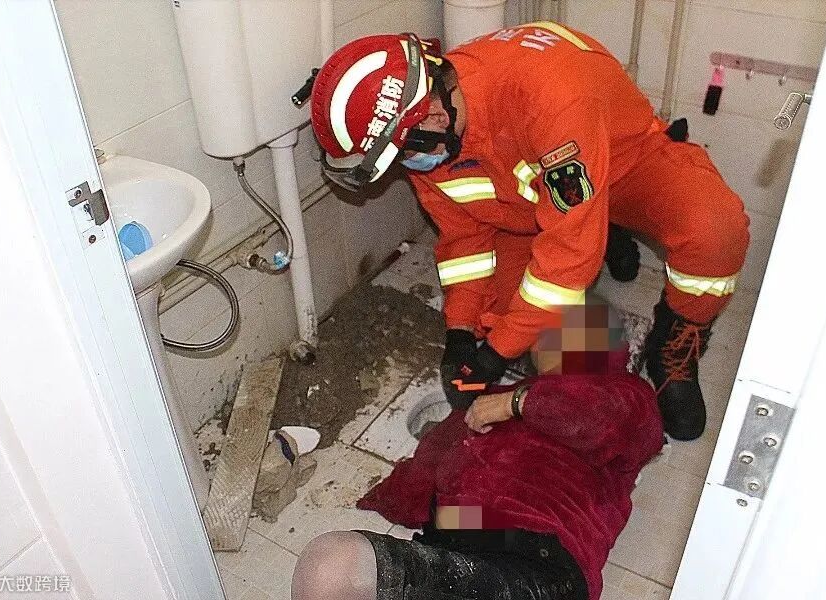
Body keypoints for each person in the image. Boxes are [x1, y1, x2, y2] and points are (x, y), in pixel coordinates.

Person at [305, 22, 750, 441]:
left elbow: (568, 259)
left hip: (625, 163)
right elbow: (464, 239)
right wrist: (460, 330)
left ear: (436, 113)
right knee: (515, 324)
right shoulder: (425, 125)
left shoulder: (548, 96)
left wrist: (494, 355)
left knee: (714, 231)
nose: (409, 165)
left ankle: (673, 343)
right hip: (532, 205)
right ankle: (600, 234)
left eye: (404, 154)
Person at [290, 302, 664, 600]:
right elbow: (428, 466)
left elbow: (597, 420)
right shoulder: (490, 402)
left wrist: (517, 404)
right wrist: (388, 498)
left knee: (332, 566)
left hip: (538, 560)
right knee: (329, 568)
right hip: (453, 546)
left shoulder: (627, 393)